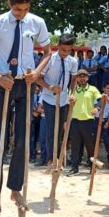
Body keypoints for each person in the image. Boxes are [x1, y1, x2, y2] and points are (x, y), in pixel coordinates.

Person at [0, 0, 51, 213]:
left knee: (23, 139)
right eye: (18, 9)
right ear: (10, 6)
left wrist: (37, 72)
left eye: (25, 9)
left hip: (25, 84)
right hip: (4, 82)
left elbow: (48, 53)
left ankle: (15, 189)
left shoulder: (36, 22)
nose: (21, 13)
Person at [36, 34, 77, 170]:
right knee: (51, 128)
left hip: (64, 98)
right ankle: (50, 158)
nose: (65, 53)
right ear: (58, 46)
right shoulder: (49, 59)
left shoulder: (73, 61)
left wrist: (72, 94)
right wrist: (50, 87)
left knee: (60, 129)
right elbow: (38, 78)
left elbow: (74, 79)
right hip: (49, 97)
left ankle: (58, 157)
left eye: (68, 50)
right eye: (63, 49)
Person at [67, 68, 101, 175]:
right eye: (79, 76)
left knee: (90, 145)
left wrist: (97, 108)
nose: (82, 78)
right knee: (75, 145)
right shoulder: (72, 89)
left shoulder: (92, 89)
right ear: (77, 78)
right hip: (75, 120)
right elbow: (69, 103)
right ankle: (74, 167)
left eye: (84, 76)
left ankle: (92, 166)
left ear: (87, 78)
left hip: (88, 120)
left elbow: (100, 100)